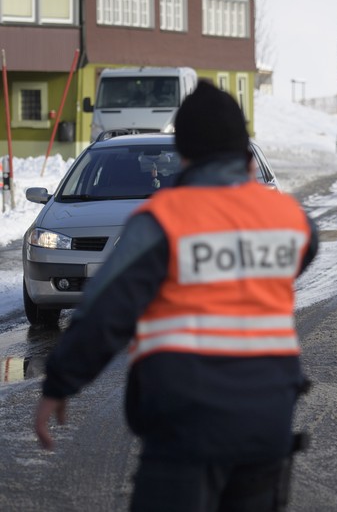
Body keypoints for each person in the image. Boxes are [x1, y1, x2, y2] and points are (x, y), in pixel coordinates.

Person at [34, 80, 318, 511]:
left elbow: (104, 312)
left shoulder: (162, 221)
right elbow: (305, 248)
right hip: (268, 424)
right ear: (244, 153)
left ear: (184, 154)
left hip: (186, 424)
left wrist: (59, 383)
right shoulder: (289, 219)